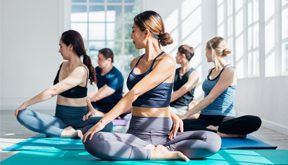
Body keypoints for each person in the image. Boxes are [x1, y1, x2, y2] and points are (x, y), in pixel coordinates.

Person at [81, 10, 221, 161]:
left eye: (133, 31)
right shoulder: (134, 62)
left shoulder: (166, 62)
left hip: (163, 135)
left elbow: (134, 93)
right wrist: (173, 114)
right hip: (135, 134)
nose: (131, 36)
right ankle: (154, 152)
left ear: (146, 33)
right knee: (92, 139)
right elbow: (149, 95)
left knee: (212, 140)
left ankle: (161, 149)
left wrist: (102, 122)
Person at [15, 30, 113, 138]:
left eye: (61, 46)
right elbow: (81, 93)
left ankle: (66, 131)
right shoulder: (63, 65)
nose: (59, 50)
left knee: (108, 123)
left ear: (70, 46)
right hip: (59, 119)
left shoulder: (81, 70)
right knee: (22, 114)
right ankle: (65, 132)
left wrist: (26, 103)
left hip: (79, 120)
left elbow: (53, 91)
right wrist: (90, 107)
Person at [181, 36, 262, 138]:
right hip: (205, 118)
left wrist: (185, 115)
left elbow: (210, 98)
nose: (205, 53)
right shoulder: (211, 71)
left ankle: (218, 129)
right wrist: (194, 108)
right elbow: (207, 96)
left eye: (206, 50)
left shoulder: (229, 71)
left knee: (254, 121)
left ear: (212, 51)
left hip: (223, 119)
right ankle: (224, 132)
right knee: (182, 125)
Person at [86, 48, 124, 118]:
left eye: (100, 59)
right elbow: (86, 78)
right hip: (100, 103)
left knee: (86, 108)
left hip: (112, 106)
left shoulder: (116, 76)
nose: (97, 61)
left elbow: (97, 96)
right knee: (83, 108)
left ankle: (110, 116)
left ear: (109, 60)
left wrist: (82, 98)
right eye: (98, 58)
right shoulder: (97, 70)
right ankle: (106, 115)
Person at [170, 45, 199, 117]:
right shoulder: (174, 72)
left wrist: (162, 102)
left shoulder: (194, 74)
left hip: (184, 109)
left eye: (177, 54)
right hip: (172, 107)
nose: (175, 57)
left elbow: (182, 90)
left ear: (182, 56)